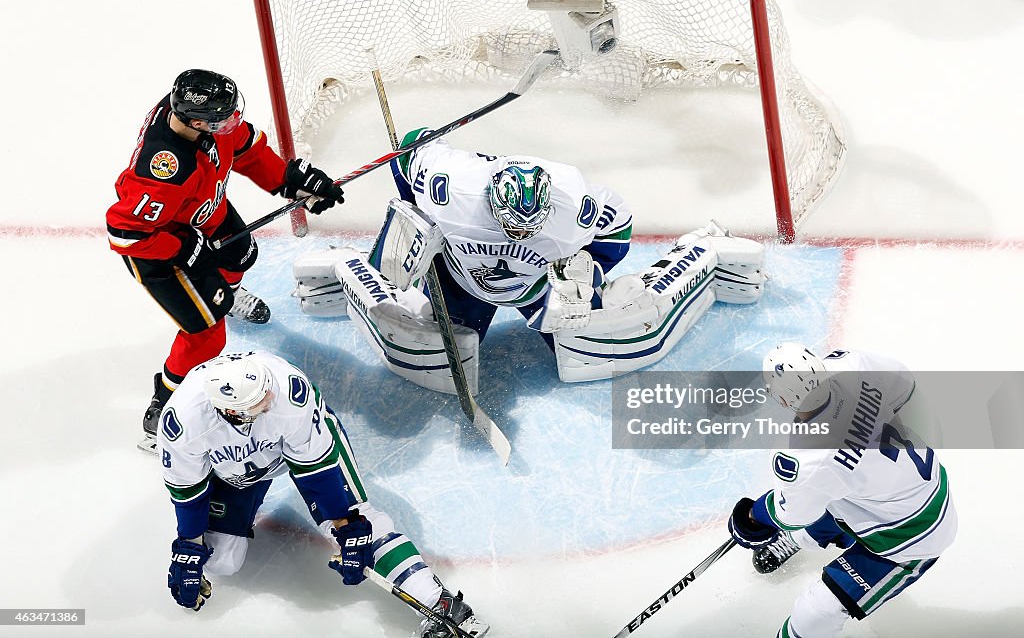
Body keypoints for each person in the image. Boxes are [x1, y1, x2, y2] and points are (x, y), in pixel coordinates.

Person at [291, 131, 765, 390]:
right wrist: (414, 211)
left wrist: (588, 267)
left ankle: (701, 251)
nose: (520, 233)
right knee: (444, 343)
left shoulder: (571, 201)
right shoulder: (453, 186)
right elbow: (409, 149)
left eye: (529, 227)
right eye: (511, 224)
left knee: (591, 345)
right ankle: (343, 268)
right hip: (459, 278)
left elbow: (618, 227)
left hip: (538, 288)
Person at [157, 350, 489, 638]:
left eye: (266, 391)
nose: (270, 398)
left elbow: (317, 467)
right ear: (233, 412)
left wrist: (347, 526)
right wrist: (189, 549)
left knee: (363, 525)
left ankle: (440, 602)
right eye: (260, 402)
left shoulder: (287, 391)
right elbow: (188, 493)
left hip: (302, 446)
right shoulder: (183, 423)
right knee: (221, 562)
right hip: (236, 471)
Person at [105, 69, 344, 451]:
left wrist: (289, 179)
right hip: (161, 252)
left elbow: (245, 147)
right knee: (206, 335)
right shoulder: (164, 169)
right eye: (224, 118)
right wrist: (184, 249)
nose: (234, 121)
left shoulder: (200, 122)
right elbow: (126, 233)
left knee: (241, 253)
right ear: (198, 122)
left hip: (200, 210)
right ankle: (164, 409)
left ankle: (222, 296)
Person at [727, 343, 957, 638]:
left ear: (781, 399)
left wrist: (750, 519)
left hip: (910, 540)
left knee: (815, 611)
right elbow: (904, 382)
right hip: (921, 486)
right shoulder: (852, 364)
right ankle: (801, 540)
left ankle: (805, 540)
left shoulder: (806, 455)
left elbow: (790, 514)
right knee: (836, 492)